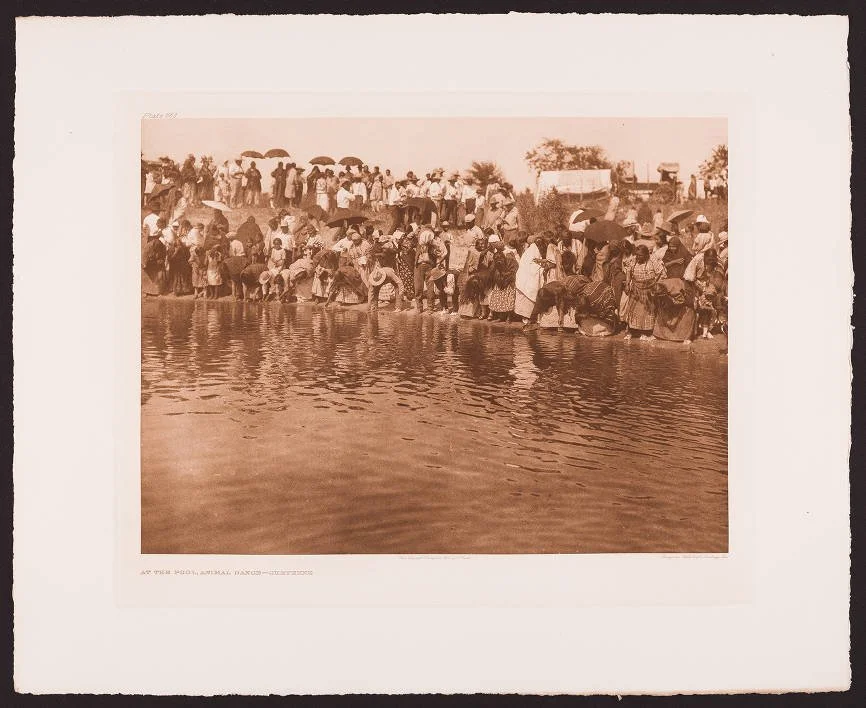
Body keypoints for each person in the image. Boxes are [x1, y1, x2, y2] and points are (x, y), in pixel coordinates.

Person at [621, 244, 665, 339]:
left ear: (646, 255)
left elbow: (661, 273)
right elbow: (628, 272)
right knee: (633, 311)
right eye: (637, 255)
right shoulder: (633, 260)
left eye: (640, 255)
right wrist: (627, 284)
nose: (638, 257)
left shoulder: (653, 260)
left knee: (647, 312)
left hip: (649, 290)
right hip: (636, 289)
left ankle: (645, 332)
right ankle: (632, 331)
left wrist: (656, 285)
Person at [514, 234, 547, 324]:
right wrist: (541, 268)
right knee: (527, 297)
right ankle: (527, 317)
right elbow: (529, 264)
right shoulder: (532, 250)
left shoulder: (531, 250)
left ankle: (530, 317)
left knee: (529, 297)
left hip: (525, 277)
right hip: (527, 276)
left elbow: (534, 262)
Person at [367, 246, 405, 312]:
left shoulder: (389, 272)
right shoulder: (373, 277)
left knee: (397, 288)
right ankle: (374, 307)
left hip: (389, 272)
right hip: (381, 270)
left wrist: (401, 292)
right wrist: (369, 307)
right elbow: (370, 294)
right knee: (374, 291)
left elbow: (399, 282)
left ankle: (398, 307)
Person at [488, 240, 518, 321]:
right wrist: (499, 276)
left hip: (509, 281)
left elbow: (514, 270)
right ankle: (501, 317)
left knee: (509, 299)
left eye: (500, 258)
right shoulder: (495, 263)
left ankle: (509, 317)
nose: (499, 260)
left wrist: (506, 275)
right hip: (500, 282)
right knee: (498, 298)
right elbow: (492, 272)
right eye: (496, 259)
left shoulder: (510, 259)